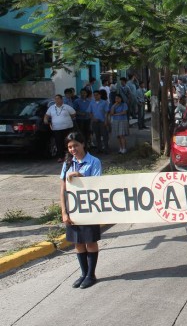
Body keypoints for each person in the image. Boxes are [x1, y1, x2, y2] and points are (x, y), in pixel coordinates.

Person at [59, 132, 102, 289]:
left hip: (89, 208)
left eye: (76, 145)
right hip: (73, 208)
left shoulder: (94, 162)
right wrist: (64, 211)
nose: (73, 149)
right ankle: (83, 273)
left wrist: (80, 175)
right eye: (70, 147)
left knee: (90, 241)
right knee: (78, 242)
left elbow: (97, 185)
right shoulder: (68, 163)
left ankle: (91, 274)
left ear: (83, 144)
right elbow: (63, 189)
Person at [44, 94, 76, 162]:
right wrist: (45, 120)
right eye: (55, 99)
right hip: (56, 129)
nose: (57, 100)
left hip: (67, 128)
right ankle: (60, 157)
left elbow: (73, 114)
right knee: (59, 143)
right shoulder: (51, 108)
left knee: (68, 142)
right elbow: (46, 115)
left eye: (58, 99)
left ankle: (69, 156)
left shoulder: (67, 107)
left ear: (61, 99)